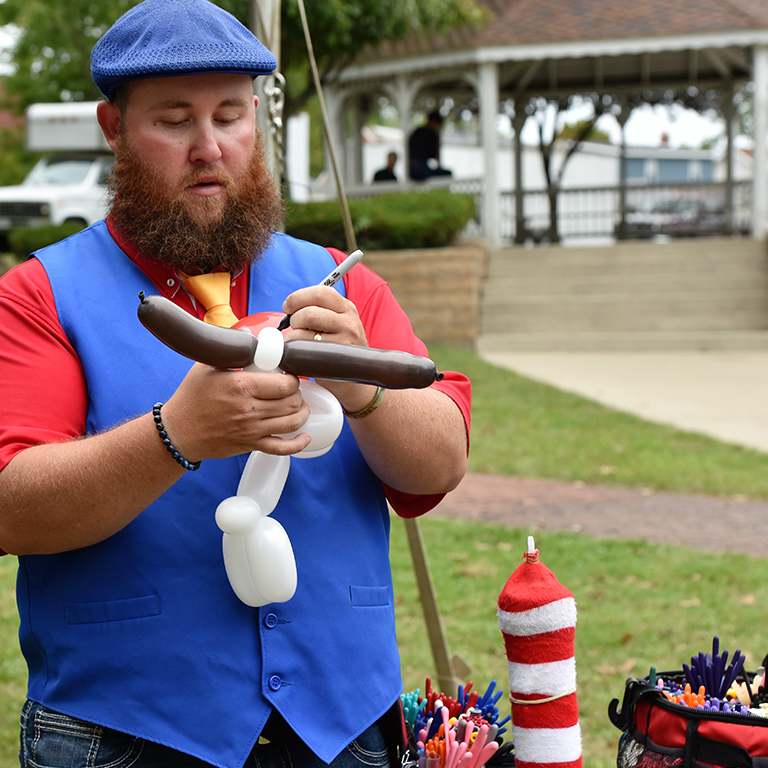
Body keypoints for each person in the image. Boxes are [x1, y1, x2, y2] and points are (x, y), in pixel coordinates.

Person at [0, 1, 471, 768]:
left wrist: (363, 391)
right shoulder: (37, 296)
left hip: (342, 727)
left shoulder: (338, 281)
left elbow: (441, 464)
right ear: (112, 128)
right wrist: (174, 436)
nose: (209, 146)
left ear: (259, 120)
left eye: (230, 114)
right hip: (127, 732)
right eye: (175, 120)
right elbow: (10, 509)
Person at [408, 111, 452, 181]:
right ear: (434, 122)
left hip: (411, 169)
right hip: (419, 168)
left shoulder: (418, 131)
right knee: (447, 174)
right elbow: (433, 156)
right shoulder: (431, 134)